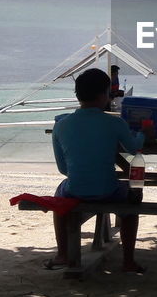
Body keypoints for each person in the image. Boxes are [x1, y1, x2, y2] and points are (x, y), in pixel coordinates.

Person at [49, 67, 146, 273]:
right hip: (108, 190)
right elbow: (133, 148)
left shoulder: (61, 126)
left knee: (59, 198)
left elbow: (63, 168)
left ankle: (62, 254)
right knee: (132, 200)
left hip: (75, 190)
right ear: (105, 94)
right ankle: (128, 260)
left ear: (77, 95)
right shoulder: (115, 123)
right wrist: (143, 134)